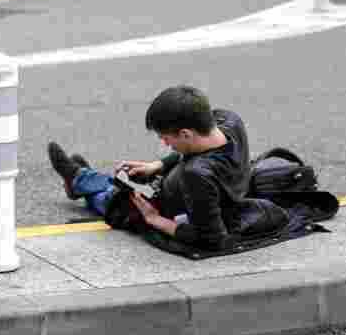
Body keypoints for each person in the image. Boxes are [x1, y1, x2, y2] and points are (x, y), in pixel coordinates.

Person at [46, 85, 251, 252]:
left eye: (166, 138)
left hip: (171, 208)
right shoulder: (229, 121)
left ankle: (78, 180)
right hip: (188, 189)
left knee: (115, 201)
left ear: (186, 134)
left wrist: (155, 219)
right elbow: (193, 150)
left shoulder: (197, 176)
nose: (164, 143)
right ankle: (82, 179)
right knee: (126, 183)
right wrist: (159, 165)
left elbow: (211, 239)